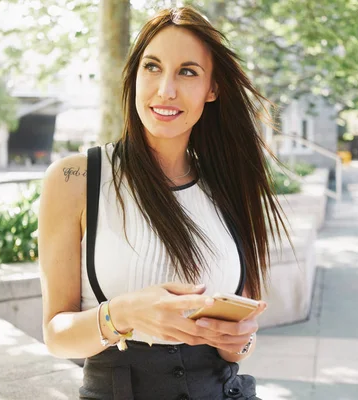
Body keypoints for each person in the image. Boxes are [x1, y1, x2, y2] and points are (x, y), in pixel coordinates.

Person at [38, 6, 291, 400]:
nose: (165, 89)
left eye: (187, 72)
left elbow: (242, 341)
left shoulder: (230, 185)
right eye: (152, 67)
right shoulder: (76, 179)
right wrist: (122, 314)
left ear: (213, 89)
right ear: (135, 75)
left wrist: (237, 340)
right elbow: (56, 335)